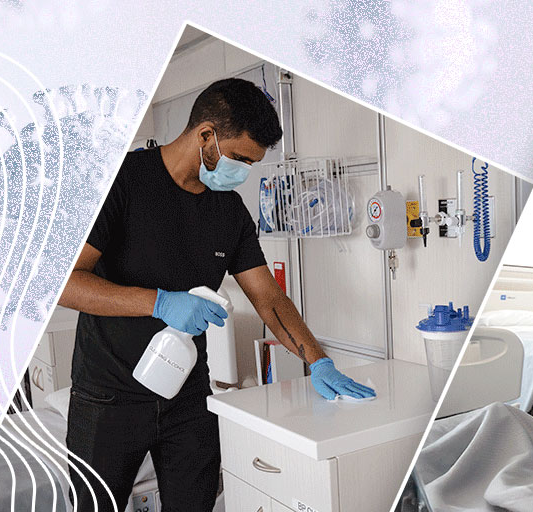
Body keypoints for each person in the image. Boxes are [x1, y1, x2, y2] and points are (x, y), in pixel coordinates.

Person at [61, 78, 373, 511]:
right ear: (206, 135)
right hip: (108, 396)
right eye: (241, 158)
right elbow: (65, 282)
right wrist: (159, 302)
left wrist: (316, 358)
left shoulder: (228, 210)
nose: (243, 172)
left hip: (187, 399)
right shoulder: (123, 183)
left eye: (252, 163)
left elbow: (270, 298)